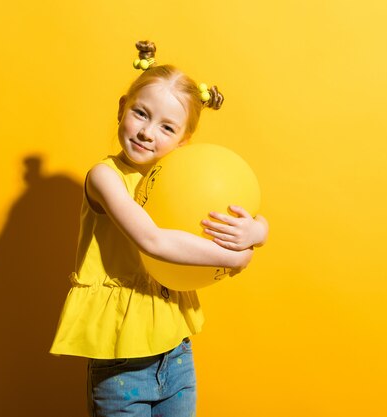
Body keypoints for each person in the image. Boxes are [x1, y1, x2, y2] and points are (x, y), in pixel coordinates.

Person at [50, 40, 269, 417]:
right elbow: (152, 240)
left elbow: (243, 212)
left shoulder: (178, 180)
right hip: (122, 360)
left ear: (183, 142)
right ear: (122, 109)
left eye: (166, 127)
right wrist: (236, 257)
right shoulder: (105, 178)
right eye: (140, 114)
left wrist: (256, 233)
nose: (147, 132)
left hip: (175, 352)